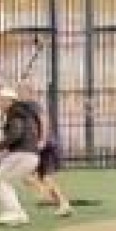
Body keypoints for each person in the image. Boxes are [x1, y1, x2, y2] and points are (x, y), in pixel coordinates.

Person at [0, 87, 42, 227]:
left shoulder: (15, 113)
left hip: (22, 155)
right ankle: (17, 213)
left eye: (0, 100)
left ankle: (14, 212)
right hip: (29, 155)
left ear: (9, 101)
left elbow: (15, 134)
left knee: (0, 182)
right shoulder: (22, 112)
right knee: (1, 181)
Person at [19, 83, 73, 218]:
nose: (19, 94)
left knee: (41, 178)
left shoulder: (33, 105)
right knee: (31, 177)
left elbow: (44, 121)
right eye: (19, 91)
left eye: (22, 91)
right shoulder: (24, 108)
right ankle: (62, 204)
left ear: (30, 93)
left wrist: (42, 139)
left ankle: (56, 200)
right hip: (39, 148)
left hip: (46, 146)